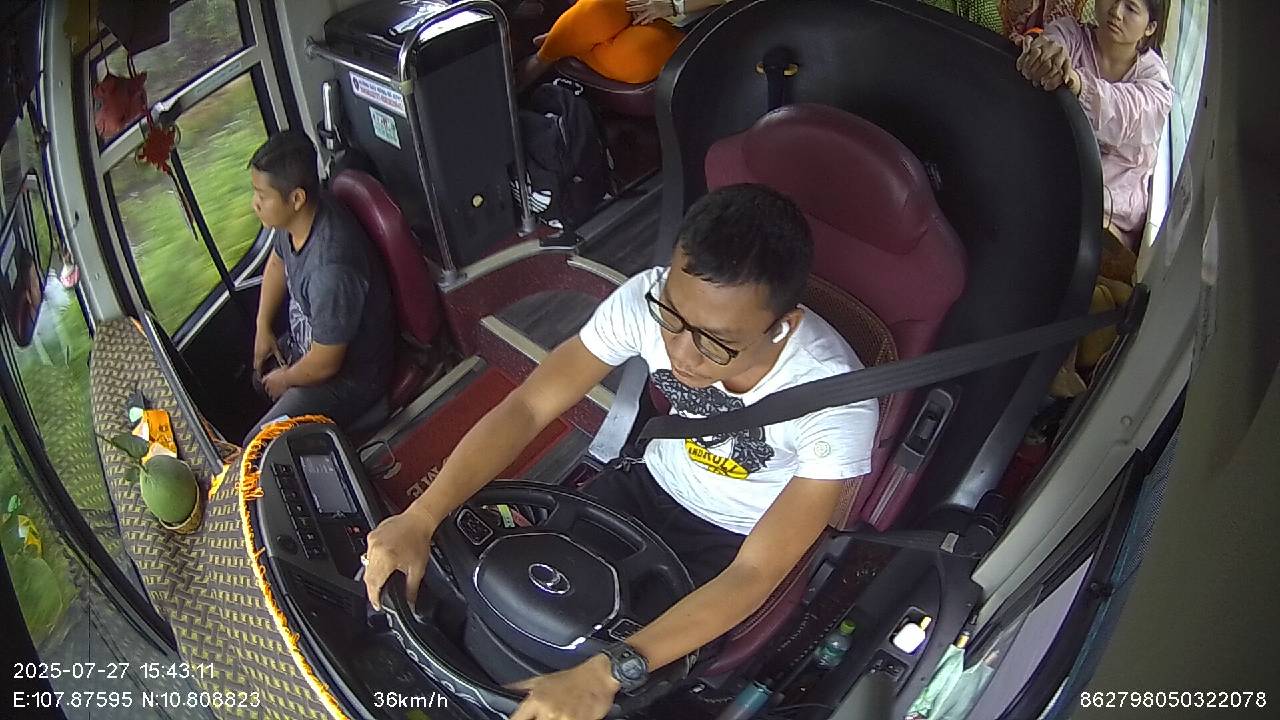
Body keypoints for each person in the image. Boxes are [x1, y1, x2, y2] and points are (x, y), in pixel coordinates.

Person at [362, 184, 879, 720]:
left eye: (716, 342)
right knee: (506, 599)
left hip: (729, 542)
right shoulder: (647, 299)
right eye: (672, 318)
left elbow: (755, 572)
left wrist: (611, 671)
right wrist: (420, 516)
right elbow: (530, 407)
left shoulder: (835, 400)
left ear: (782, 327)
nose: (682, 354)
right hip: (642, 485)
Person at [246, 130, 394, 443]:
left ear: (296, 199)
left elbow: (326, 364)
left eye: (262, 196)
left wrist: (286, 379)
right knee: (258, 378)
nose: (254, 204)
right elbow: (278, 262)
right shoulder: (296, 221)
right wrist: (262, 325)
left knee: (259, 445)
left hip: (351, 380)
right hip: (311, 347)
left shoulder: (331, 269)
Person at [1016, 0, 1172, 250]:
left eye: (1131, 8)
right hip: (1051, 178)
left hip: (1111, 209)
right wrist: (1044, 56)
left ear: (1150, 27)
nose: (1116, 12)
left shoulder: (1156, 82)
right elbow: (1053, 44)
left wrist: (1079, 85)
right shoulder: (1070, 33)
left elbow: (1128, 113)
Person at [516, 0, 728, 88]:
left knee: (636, 58)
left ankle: (568, 43)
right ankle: (544, 58)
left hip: (681, 20)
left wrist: (673, 5)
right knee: (598, 10)